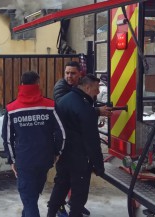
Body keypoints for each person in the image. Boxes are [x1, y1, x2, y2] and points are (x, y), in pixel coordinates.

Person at [1, 71, 65, 217]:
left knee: (29, 200)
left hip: (24, 161)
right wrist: (57, 152)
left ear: (21, 84)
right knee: (31, 197)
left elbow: (7, 138)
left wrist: (12, 160)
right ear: (37, 84)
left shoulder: (12, 108)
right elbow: (62, 133)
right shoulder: (50, 105)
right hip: (44, 159)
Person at [52, 61, 110, 216]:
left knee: (61, 185)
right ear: (88, 87)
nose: (98, 92)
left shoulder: (69, 98)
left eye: (73, 73)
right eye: (97, 89)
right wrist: (99, 166)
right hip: (78, 157)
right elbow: (91, 140)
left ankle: (52, 212)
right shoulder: (81, 105)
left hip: (65, 153)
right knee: (78, 193)